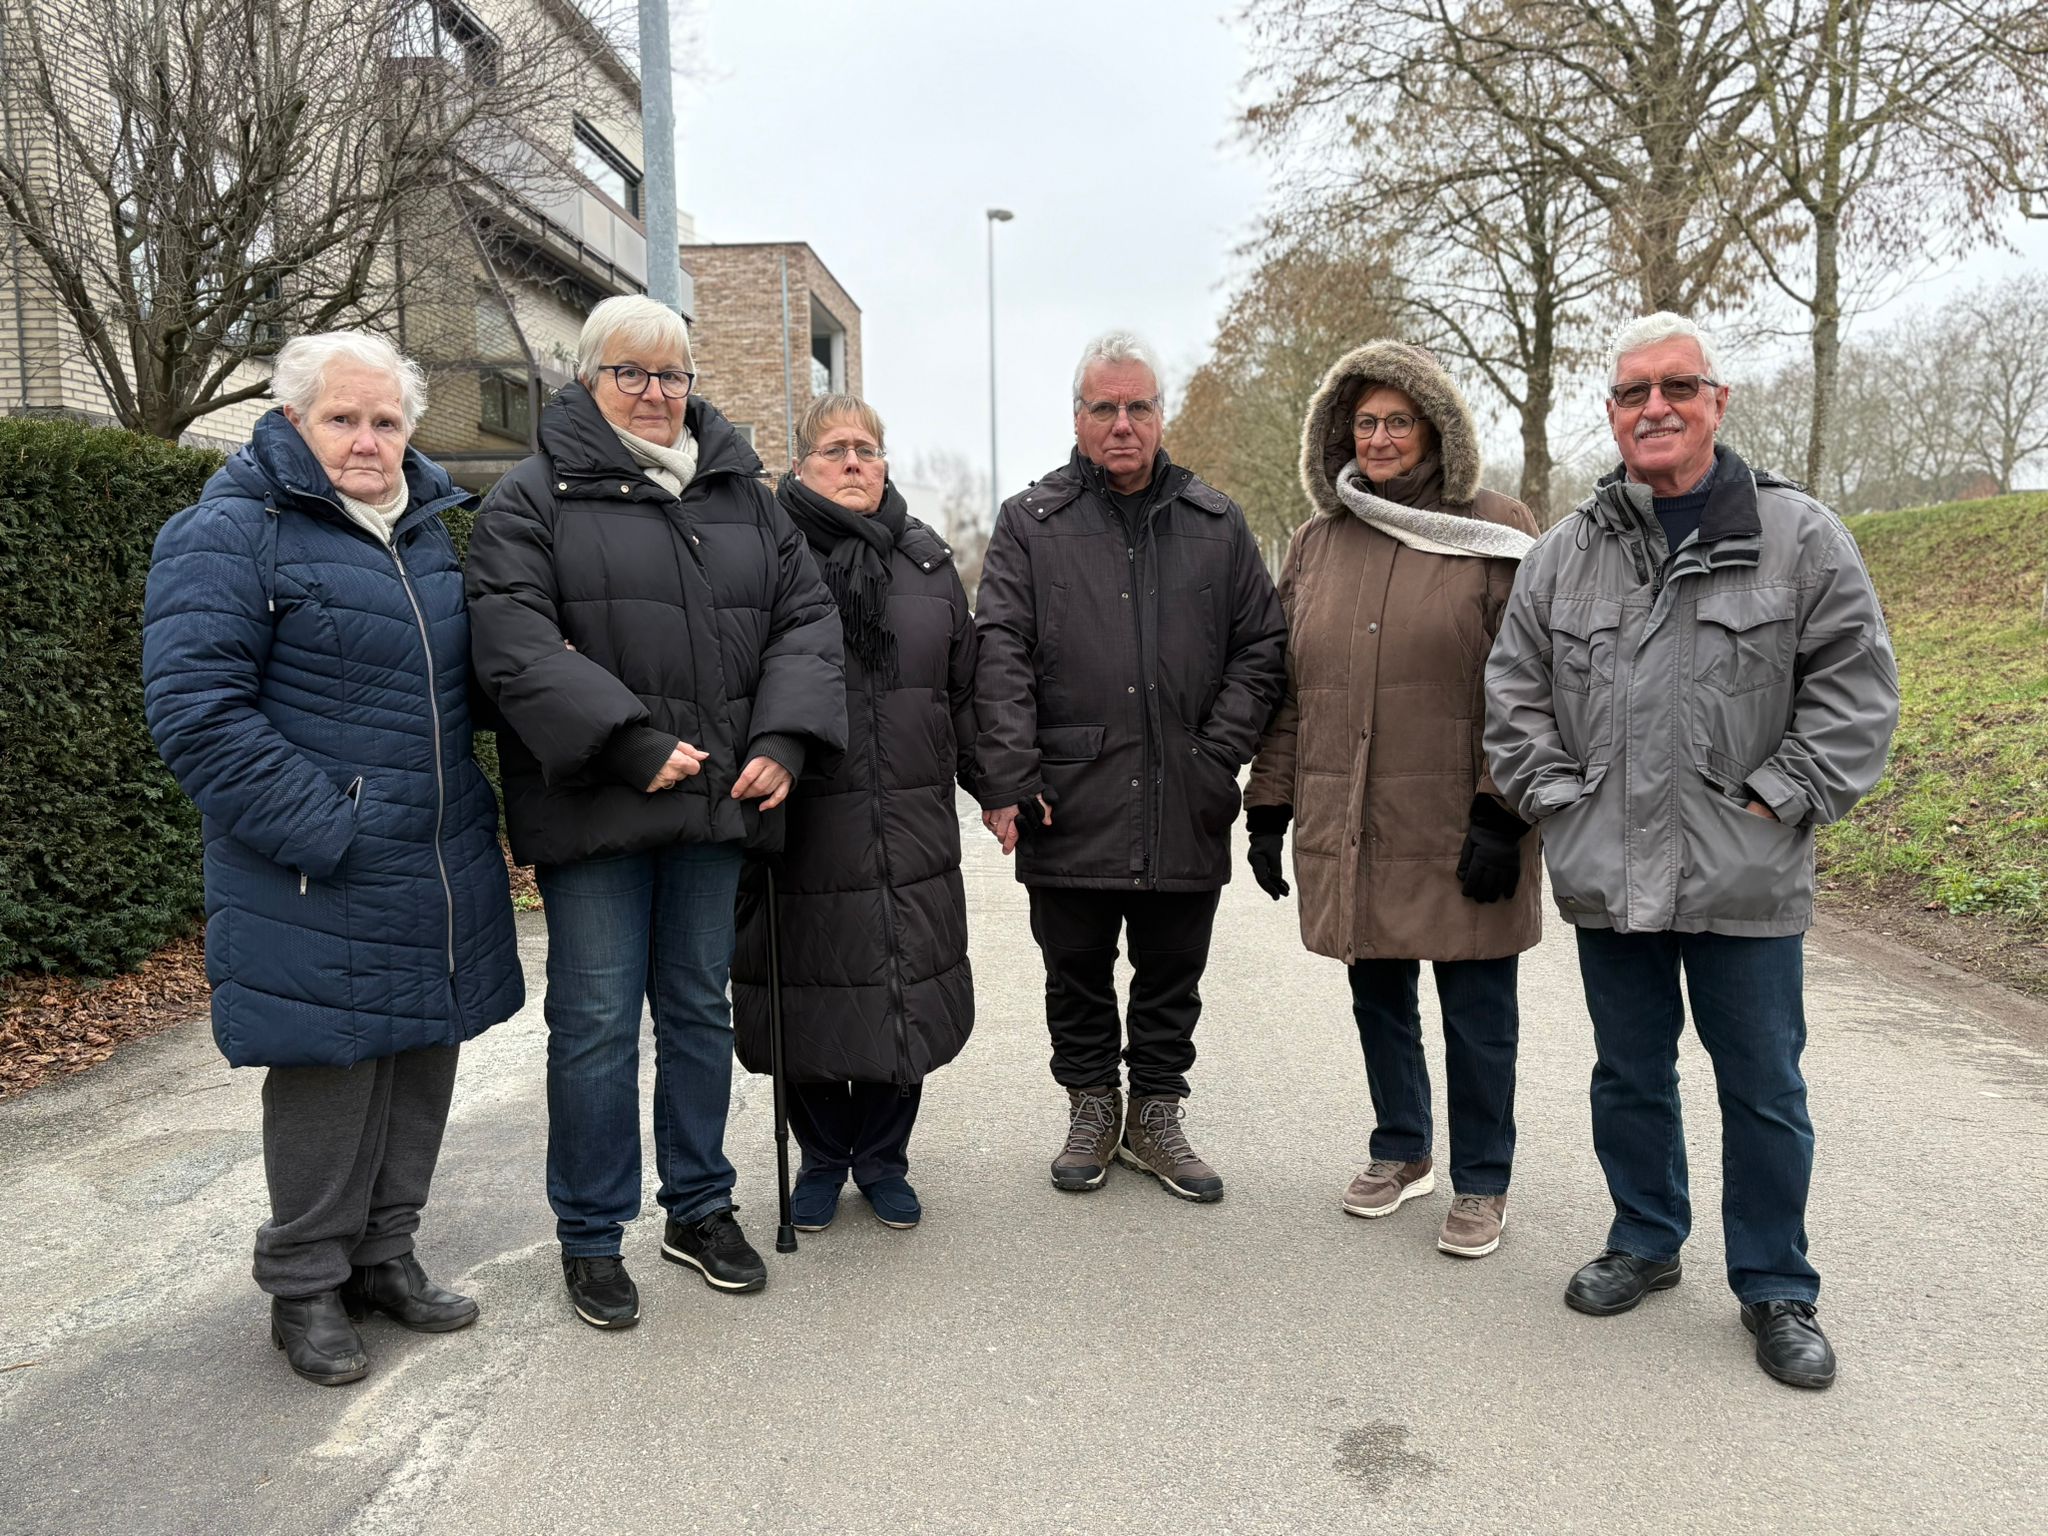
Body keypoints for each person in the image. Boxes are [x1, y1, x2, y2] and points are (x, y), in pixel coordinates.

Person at [1485, 312, 1899, 1388]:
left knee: (1761, 1086)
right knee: (1627, 1075)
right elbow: (1513, 696)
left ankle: (1774, 1284)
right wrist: (1558, 806)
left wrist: (1783, 796)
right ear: (1612, 414)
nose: (1653, 408)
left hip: (1743, 874)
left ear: (1716, 402)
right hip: (1607, 872)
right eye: (1631, 393)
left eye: (1675, 387)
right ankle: (1644, 1238)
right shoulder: (1564, 555)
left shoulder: (1798, 539)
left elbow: (1854, 691)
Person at [141, 333, 524, 1387]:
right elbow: (195, 711)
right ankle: (304, 1284)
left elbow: (472, 688)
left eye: (387, 421)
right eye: (343, 419)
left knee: (420, 1057)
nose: (368, 441)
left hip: (436, 858)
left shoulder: (431, 535)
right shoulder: (229, 534)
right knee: (330, 1073)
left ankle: (383, 1257)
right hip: (319, 863)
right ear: (293, 421)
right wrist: (328, 828)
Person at [465, 295, 845, 1330]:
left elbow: (804, 620)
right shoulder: (528, 499)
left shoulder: (741, 493)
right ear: (588, 379)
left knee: (695, 1010)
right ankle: (591, 1236)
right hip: (597, 807)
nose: (655, 392)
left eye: (672, 374)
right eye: (631, 373)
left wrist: (782, 739)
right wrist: (626, 742)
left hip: (715, 806)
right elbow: (510, 641)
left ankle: (698, 1205)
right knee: (592, 1025)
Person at [974, 329, 1287, 1202]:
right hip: (1065, 796)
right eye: (1103, 408)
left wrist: (1217, 750)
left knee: (1170, 971)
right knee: (1073, 968)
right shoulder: (1029, 525)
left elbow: (1261, 646)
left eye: (1138, 406)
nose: (1122, 423)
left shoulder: (1217, 526)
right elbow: (997, 652)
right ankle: (1090, 1103)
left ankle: (1154, 1112)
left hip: (1183, 794)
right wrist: (1008, 774)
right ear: (1077, 418)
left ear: (1161, 415)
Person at [1244, 341, 1540, 1260]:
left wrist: (1505, 806)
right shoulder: (1317, 542)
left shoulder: (1497, 528)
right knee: (1379, 993)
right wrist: (1270, 801)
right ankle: (1401, 1146)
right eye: (1364, 422)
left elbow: (1532, 684)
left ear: (1434, 430)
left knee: (1477, 1010)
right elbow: (1292, 687)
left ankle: (1483, 1179)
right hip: (1355, 817)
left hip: (1462, 818)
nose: (1378, 438)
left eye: (1397, 422)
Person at [729, 395, 977, 1233]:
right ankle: (821, 1154)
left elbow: (967, 689)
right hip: (803, 818)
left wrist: (1002, 789)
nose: (853, 463)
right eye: (834, 449)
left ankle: (881, 1157)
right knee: (803, 993)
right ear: (800, 467)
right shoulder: (762, 554)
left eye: (866, 448)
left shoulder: (927, 562)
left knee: (903, 990)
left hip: (909, 817)